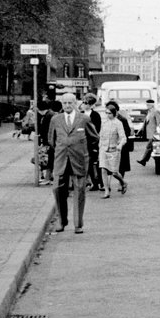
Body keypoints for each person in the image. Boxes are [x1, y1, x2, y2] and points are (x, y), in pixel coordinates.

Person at [47, 92, 97, 234]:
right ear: (62, 104)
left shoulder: (84, 119)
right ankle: (62, 221)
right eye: (65, 103)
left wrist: (83, 150)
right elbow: (51, 140)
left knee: (79, 190)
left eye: (70, 103)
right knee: (57, 188)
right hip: (61, 159)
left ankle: (78, 224)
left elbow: (94, 137)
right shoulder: (56, 120)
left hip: (79, 160)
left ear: (76, 103)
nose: (67, 106)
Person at [98, 101, 127, 198]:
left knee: (114, 172)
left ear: (114, 113)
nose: (107, 115)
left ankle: (123, 182)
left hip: (114, 150)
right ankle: (106, 190)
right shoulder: (104, 122)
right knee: (103, 169)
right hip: (103, 149)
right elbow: (100, 135)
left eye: (109, 113)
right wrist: (100, 145)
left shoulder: (118, 123)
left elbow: (123, 137)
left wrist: (119, 146)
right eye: (106, 113)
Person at [82, 93, 104, 193]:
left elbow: (97, 129)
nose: (84, 104)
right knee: (87, 163)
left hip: (92, 142)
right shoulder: (80, 114)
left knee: (95, 163)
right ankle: (91, 182)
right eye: (83, 102)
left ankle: (99, 182)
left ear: (91, 105)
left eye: (86, 103)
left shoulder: (95, 115)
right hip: (82, 142)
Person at [110, 101, 133, 183]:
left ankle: (121, 181)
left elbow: (127, 132)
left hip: (121, 144)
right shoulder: (108, 120)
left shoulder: (122, 119)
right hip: (110, 144)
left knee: (121, 165)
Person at [137, 99, 160, 166]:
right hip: (150, 133)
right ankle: (144, 160)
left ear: (152, 105)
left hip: (154, 133)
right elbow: (146, 122)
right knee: (151, 147)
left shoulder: (156, 111)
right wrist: (140, 129)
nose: (147, 106)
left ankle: (143, 160)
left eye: (148, 105)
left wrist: (158, 132)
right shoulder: (149, 112)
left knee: (149, 147)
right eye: (147, 104)